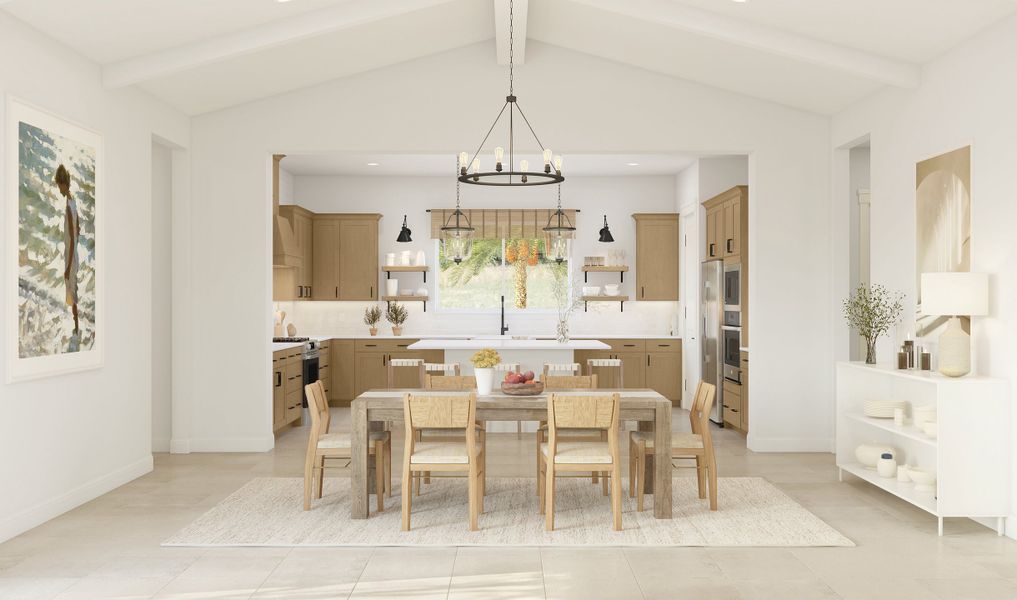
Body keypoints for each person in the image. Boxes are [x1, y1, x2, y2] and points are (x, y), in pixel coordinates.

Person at [55, 164, 79, 337]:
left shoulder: (69, 208)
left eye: (59, 185)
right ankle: (76, 325)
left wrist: (67, 266)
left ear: (64, 184)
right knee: (73, 289)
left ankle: (77, 327)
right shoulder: (73, 202)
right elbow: (78, 229)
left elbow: (72, 233)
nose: (59, 188)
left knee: (72, 289)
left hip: (71, 255)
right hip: (74, 252)